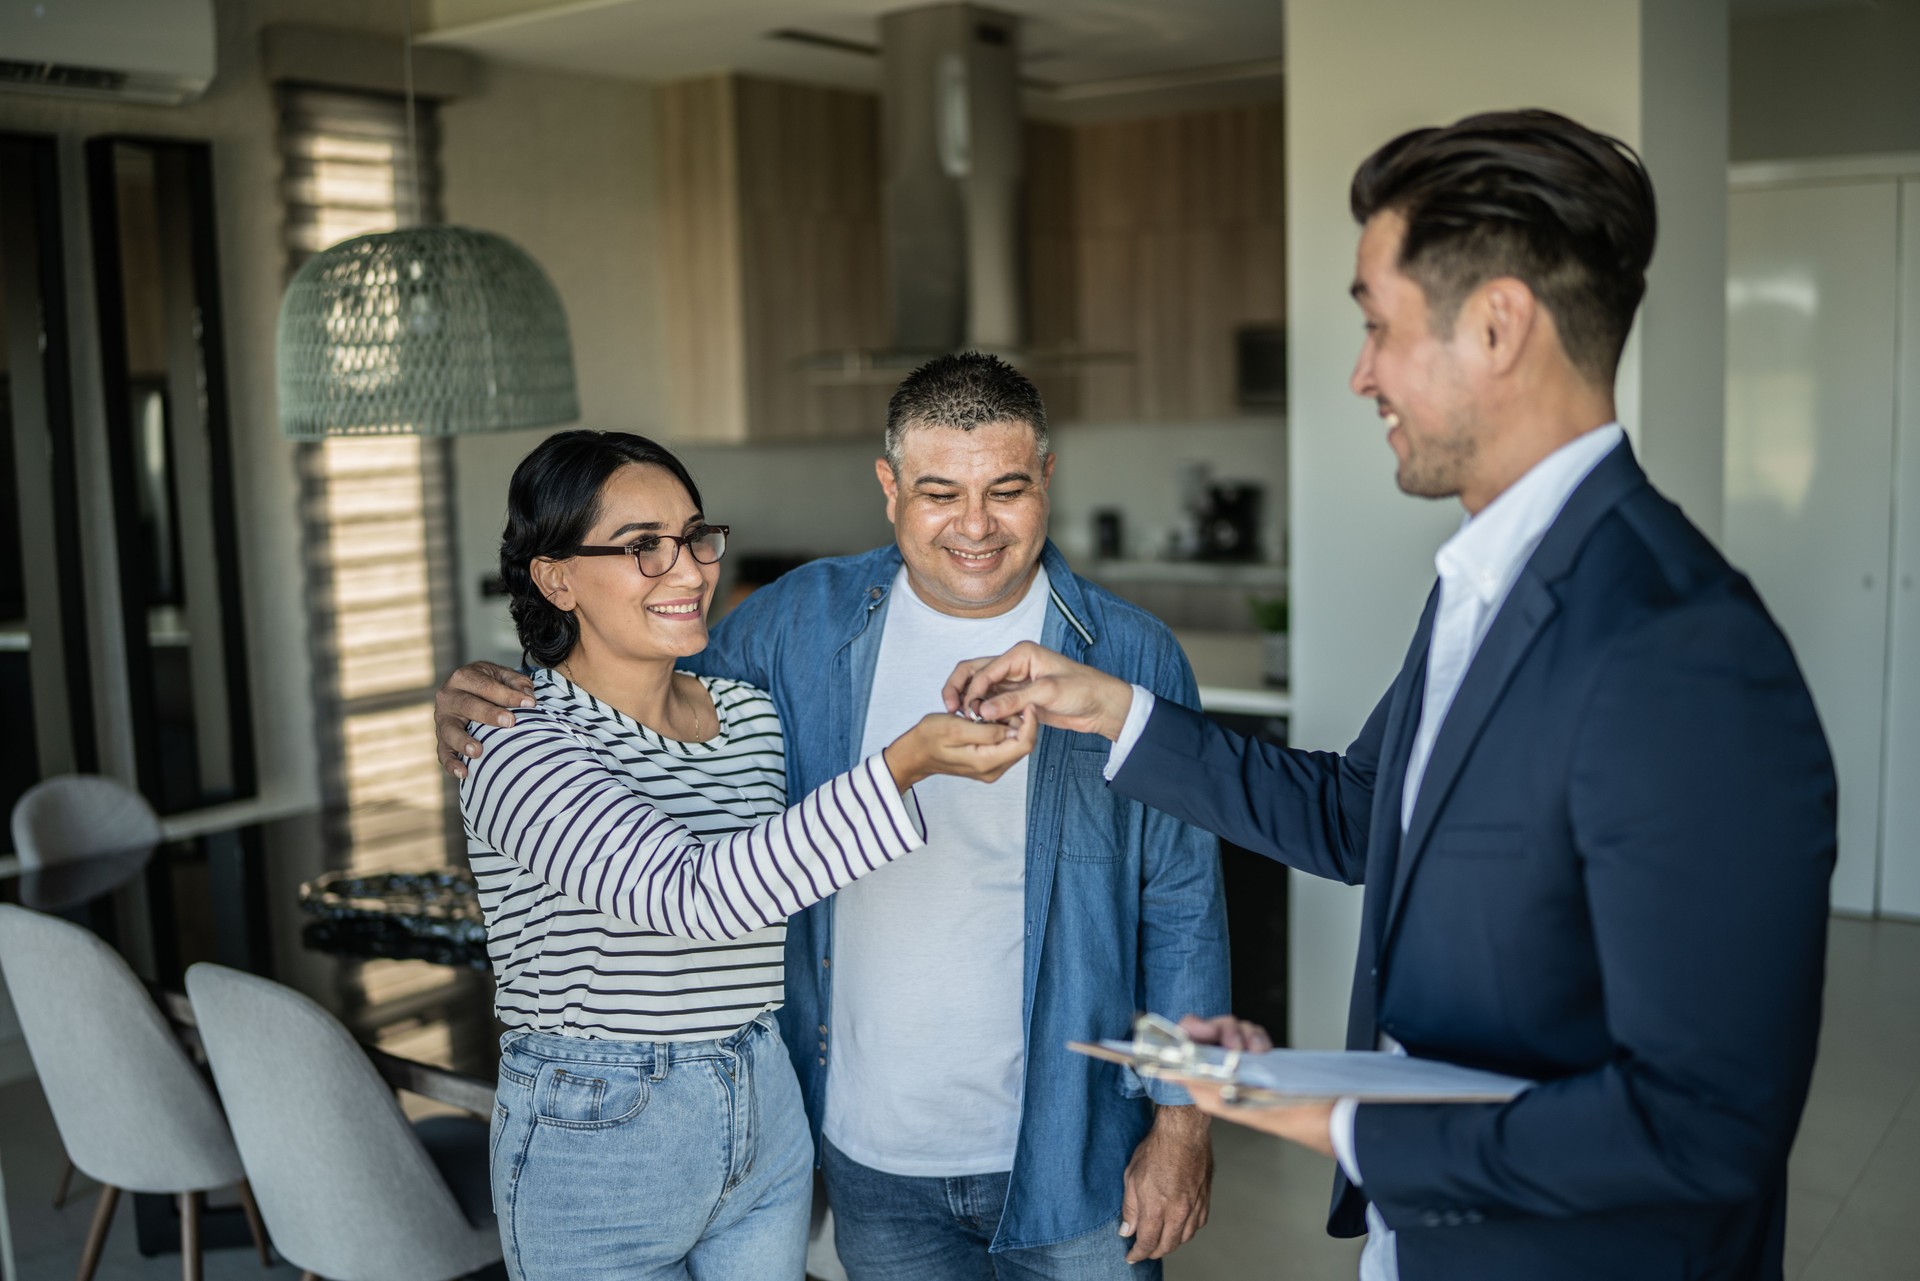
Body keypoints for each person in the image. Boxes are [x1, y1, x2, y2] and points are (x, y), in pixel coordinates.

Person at [944, 110, 1837, 1281]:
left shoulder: (1681, 648)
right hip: (1426, 1245)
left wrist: (1352, 1125)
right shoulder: (1485, 587)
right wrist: (1110, 707)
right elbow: (1356, 816)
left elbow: (1705, 1128)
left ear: (1498, 325)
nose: (1360, 372)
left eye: (1376, 325)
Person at [436, 355, 1230, 1279]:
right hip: (867, 1151)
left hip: (1073, 1144)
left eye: (1006, 489)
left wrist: (1183, 1125)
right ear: (889, 487)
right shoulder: (791, 628)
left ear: (1046, 479)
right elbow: (627, 679)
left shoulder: (1132, 655)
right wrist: (472, 694)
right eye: (940, 491)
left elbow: (1181, 905)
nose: (975, 525)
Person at [462, 430, 1036, 1280]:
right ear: (556, 576)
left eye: (695, 537)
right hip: (599, 1130)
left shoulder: (747, 716)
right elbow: (692, 895)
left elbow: (792, 870)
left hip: (763, 1100)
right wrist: (907, 763)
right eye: (643, 547)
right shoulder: (513, 742)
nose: (691, 571)